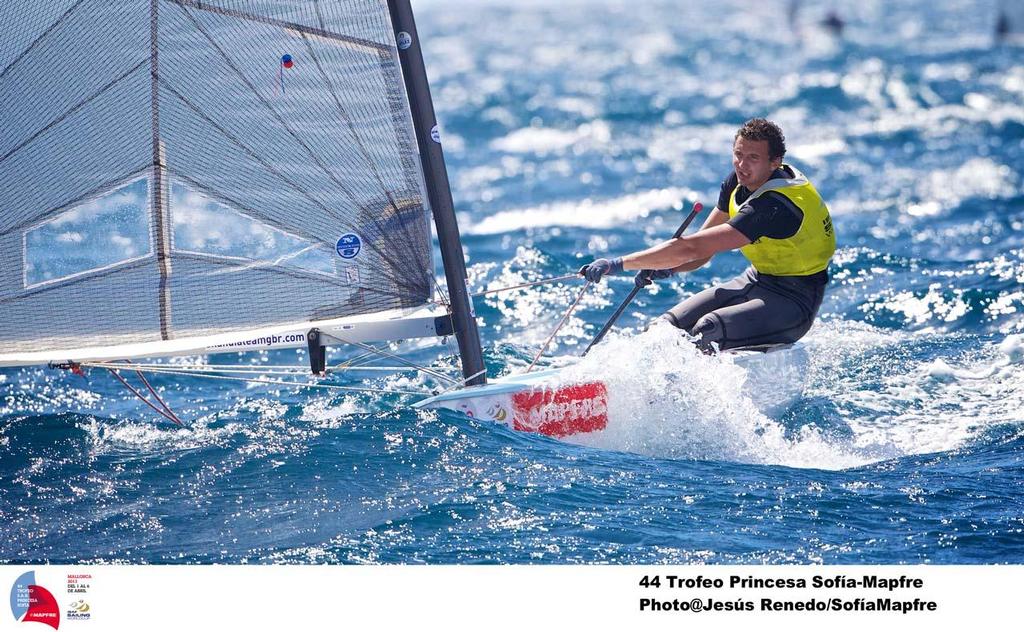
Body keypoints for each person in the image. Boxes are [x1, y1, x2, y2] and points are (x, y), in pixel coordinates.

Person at [579, 118, 835, 352]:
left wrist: (617, 264)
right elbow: (703, 251)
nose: (742, 166)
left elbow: (693, 248)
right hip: (756, 281)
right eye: (738, 154)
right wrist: (669, 267)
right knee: (664, 329)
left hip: (794, 302)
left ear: (775, 162)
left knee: (707, 331)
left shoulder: (775, 206)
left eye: (753, 158)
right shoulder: (738, 182)